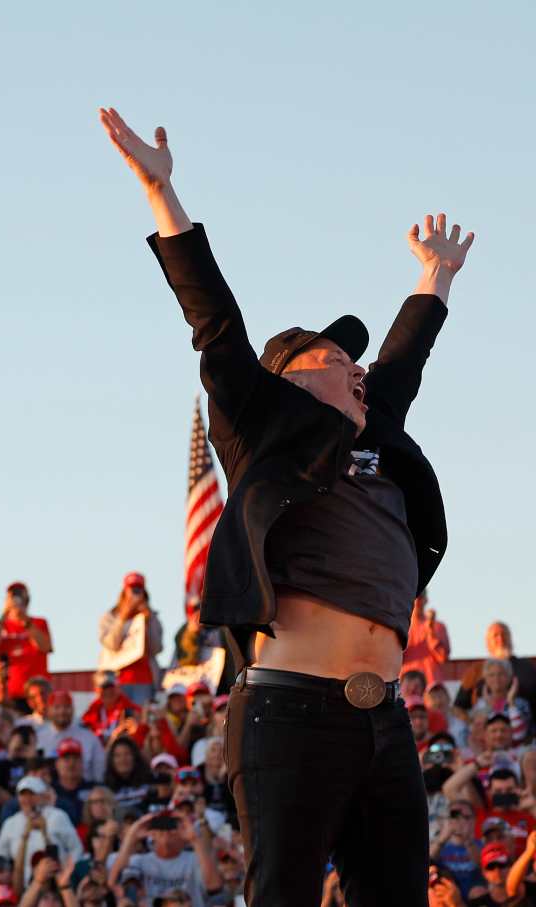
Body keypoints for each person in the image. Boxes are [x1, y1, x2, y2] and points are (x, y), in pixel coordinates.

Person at [101, 106, 474, 904]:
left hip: (385, 719)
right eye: (337, 357)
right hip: (291, 709)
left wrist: (433, 277)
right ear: (290, 375)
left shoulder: (373, 430)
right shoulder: (260, 428)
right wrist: (164, 196)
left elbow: (405, 359)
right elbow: (214, 322)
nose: (358, 368)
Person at [108, 811, 220, 907]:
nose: (166, 832)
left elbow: (214, 886)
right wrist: (132, 836)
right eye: (160, 826)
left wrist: (194, 839)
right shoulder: (139, 861)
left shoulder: (197, 858)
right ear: (152, 832)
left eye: (171, 826)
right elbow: (114, 883)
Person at [97, 572, 165, 704]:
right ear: (124, 592)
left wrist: (148, 620)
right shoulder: (109, 617)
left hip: (145, 679)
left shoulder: (151, 616)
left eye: (138, 589)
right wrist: (123, 617)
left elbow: (156, 648)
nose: (135, 593)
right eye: (132, 589)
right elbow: (111, 644)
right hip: (117, 680)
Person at [0, 583, 52, 706]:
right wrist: (4, 615)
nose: (16, 600)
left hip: (36, 696)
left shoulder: (39, 623)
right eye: (12, 596)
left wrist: (25, 620)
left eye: (20, 595)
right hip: (8, 695)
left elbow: (45, 647)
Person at [400, 589, 450, 689]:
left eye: (420, 597)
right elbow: (394, 658)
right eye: (414, 597)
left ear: (425, 600)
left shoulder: (438, 626)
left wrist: (431, 630)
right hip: (406, 685)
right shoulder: (400, 626)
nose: (417, 601)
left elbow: (443, 656)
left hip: (431, 684)